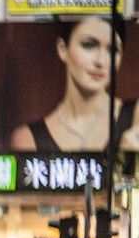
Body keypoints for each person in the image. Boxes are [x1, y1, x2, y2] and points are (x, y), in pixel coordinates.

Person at [11, 18, 139, 152]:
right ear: (63, 49)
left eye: (113, 50)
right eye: (89, 45)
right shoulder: (27, 138)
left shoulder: (136, 115)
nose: (101, 61)